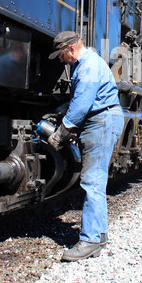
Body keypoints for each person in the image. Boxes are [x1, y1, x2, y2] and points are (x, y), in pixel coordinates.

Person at [47, 31, 124, 262]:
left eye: (61, 55)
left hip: (100, 122)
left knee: (92, 181)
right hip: (101, 121)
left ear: (71, 49)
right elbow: (79, 101)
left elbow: (81, 105)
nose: (61, 61)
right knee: (95, 180)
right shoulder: (89, 63)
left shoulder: (88, 65)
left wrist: (61, 132)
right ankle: (98, 236)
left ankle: (89, 240)